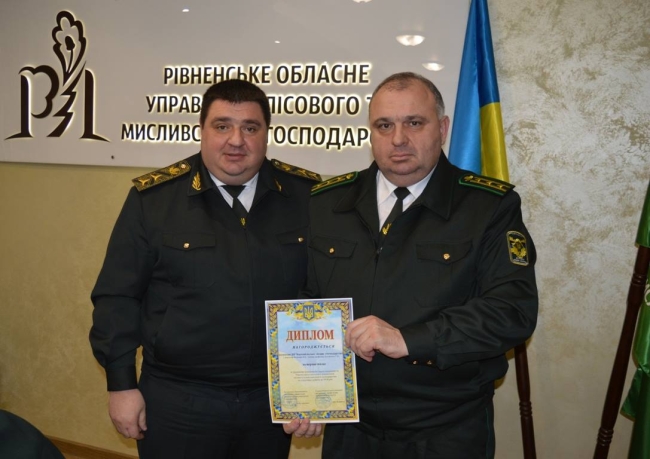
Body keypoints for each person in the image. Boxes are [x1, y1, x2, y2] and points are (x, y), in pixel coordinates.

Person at [285, 72, 538, 458]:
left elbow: (511, 311)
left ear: (443, 128)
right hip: (351, 430)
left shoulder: (487, 207)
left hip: (444, 428)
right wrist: (309, 391)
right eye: (384, 125)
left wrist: (408, 339)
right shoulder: (328, 202)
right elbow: (309, 300)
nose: (398, 139)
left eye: (414, 123)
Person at [90, 79, 321, 459]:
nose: (236, 140)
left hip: (270, 401)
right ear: (202, 130)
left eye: (250, 128)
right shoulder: (155, 200)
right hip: (178, 399)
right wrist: (121, 385)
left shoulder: (306, 197)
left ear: (267, 133)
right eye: (222, 126)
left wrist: (313, 389)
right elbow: (117, 296)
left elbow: (320, 293)